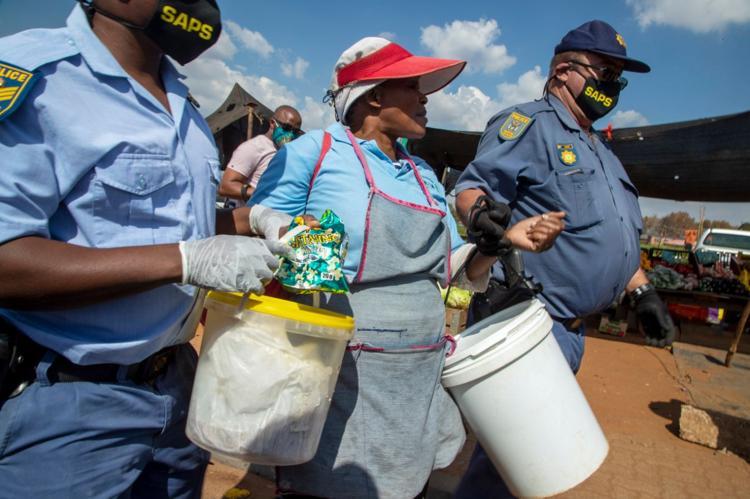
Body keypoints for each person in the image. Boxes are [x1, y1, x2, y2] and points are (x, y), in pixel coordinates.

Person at [0, 1, 295, 497]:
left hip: (178, 392)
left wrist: (248, 220)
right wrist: (188, 260)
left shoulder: (184, 105)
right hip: (73, 401)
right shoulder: (39, 78)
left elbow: (161, 222)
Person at [250, 37, 564, 498]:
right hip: (339, 379)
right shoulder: (313, 155)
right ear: (373, 94)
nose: (426, 99)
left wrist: (498, 243)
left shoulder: (423, 176)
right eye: (414, 86)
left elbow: (451, 266)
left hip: (414, 384)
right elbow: (261, 237)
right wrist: (295, 239)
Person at [453, 20, 677, 497]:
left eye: (618, 75)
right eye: (604, 71)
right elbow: (472, 189)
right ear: (562, 73)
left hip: (571, 331)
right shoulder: (528, 124)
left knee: (530, 459)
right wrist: (485, 219)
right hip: (532, 320)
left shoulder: (601, 150)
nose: (612, 84)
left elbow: (613, 235)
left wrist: (643, 291)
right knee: (509, 459)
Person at [218, 105, 303, 203]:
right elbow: (226, 187)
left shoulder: (287, 153)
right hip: (250, 215)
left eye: (296, 131)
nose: (291, 134)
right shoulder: (254, 147)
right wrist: (264, 195)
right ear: (272, 123)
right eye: (287, 128)